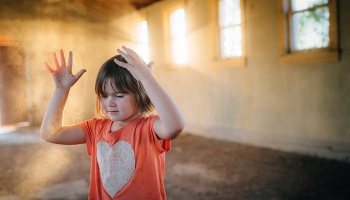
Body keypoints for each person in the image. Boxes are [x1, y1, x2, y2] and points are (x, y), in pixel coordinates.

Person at [40, 46, 185, 200]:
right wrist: (61, 91)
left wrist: (146, 78)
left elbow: (175, 126)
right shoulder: (95, 128)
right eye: (104, 95)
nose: (109, 102)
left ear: (140, 94)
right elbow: (50, 133)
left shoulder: (149, 128)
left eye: (119, 95)